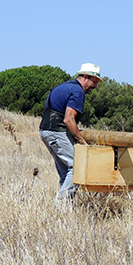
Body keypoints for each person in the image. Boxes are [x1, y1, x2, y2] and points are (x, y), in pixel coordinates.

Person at [39, 63, 103, 201]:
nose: (95, 87)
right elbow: (69, 119)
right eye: (95, 82)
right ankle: (60, 205)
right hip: (57, 132)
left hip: (46, 131)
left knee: (66, 172)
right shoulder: (78, 91)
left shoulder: (65, 86)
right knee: (77, 168)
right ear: (86, 77)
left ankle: (66, 211)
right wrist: (81, 140)